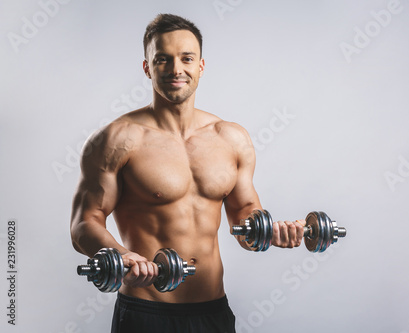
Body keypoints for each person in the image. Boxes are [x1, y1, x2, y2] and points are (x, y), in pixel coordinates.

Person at [70, 13, 304, 333]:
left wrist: (273, 232)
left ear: (201, 66)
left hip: (212, 311)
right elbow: (84, 223)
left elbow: (246, 218)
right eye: (163, 59)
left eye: (186, 58)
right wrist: (121, 256)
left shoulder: (231, 137)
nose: (176, 69)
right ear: (147, 67)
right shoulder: (117, 139)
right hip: (145, 310)